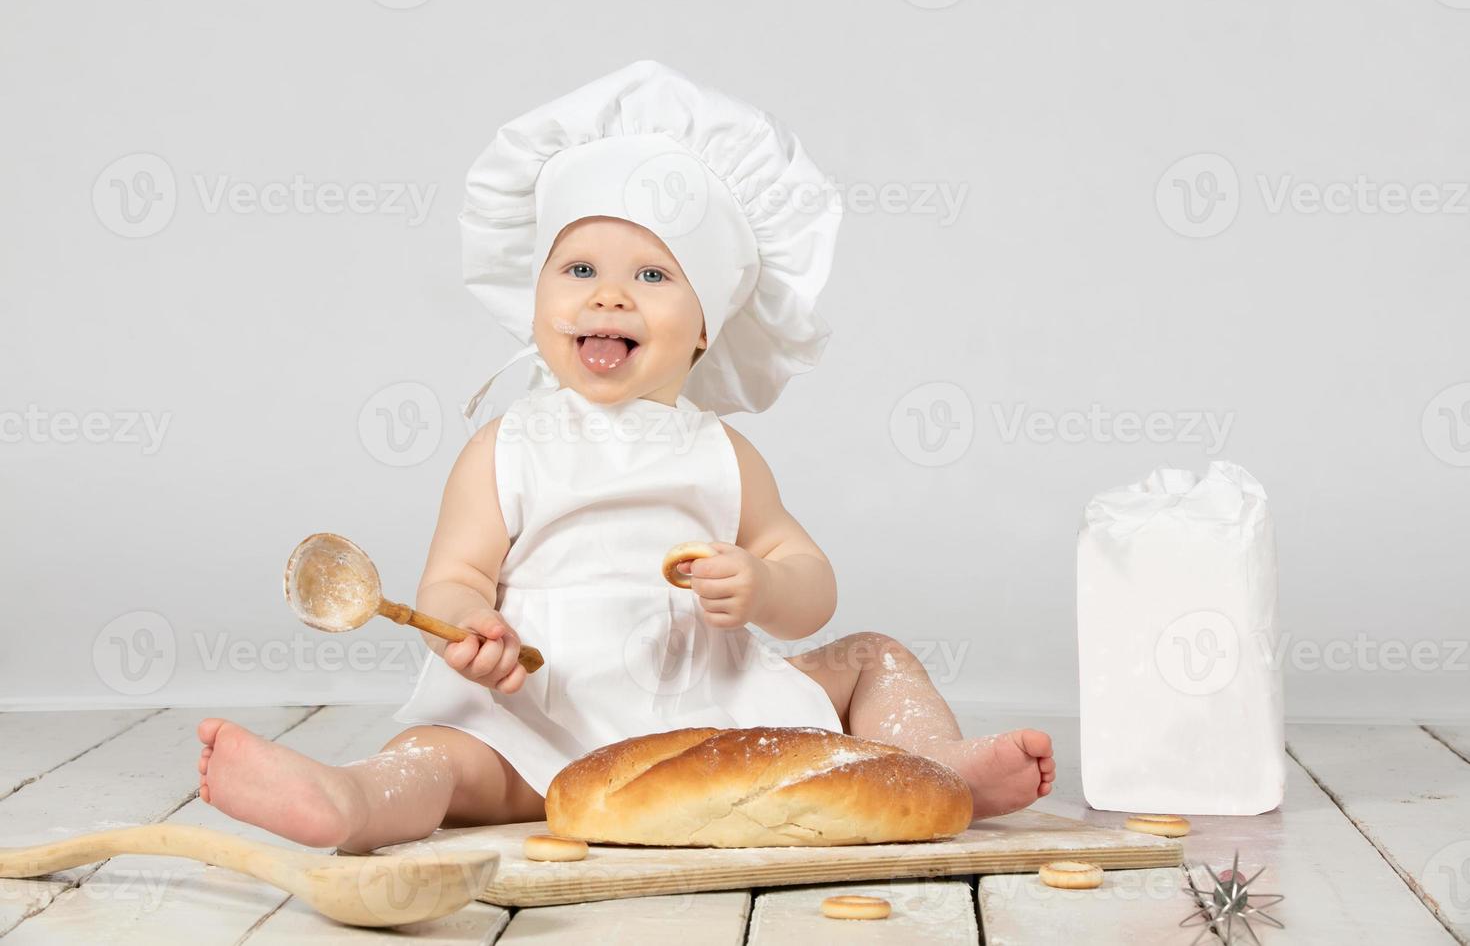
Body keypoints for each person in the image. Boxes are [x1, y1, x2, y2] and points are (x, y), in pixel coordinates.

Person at [196, 60, 1054, 853]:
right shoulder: (508, 446)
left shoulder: (722, 452)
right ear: (536, 298)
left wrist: (763, 585)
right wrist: (473, 629)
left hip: (706, 716)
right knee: (439, 755)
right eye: (577, 267)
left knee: (873, 655)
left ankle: (938, 765)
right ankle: (351, 802)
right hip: (537, 711)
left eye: (652, 276)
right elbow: (453, 575)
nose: (607, 293)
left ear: (709, 325)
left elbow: (810, 582)